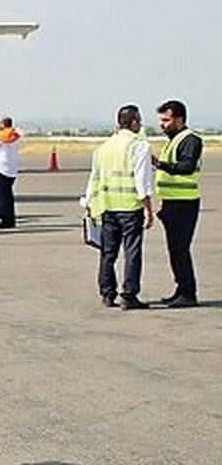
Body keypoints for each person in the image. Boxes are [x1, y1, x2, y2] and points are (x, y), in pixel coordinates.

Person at [84, 105, 155, 310]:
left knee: (108, 252)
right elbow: (143, 181)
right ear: (134, 123)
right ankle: (129, 294)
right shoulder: (139, 145)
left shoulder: (103, 148)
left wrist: (89, 204)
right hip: (130, 207)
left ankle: (107, 293)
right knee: (132, 251)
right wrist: (148, 209)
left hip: (107, 207)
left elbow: (94, 179)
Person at [153, 100, 203, 307]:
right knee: (175, 250)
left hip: (184, 204)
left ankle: (188, 293)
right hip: (172, 203)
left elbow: (187, 166)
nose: (162, 124)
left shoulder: (190, 140)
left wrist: (160, 164)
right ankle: (181, 289)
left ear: (179, 119)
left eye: (166, 120)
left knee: (180, 249)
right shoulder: (173, 140)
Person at [0, 117, 22, 228]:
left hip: (1, 170)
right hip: (11, 171)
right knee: (8, 197)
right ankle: (10, 220)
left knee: (0, 198)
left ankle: (4, 220)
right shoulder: (15, 136)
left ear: (3, 125)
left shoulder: (2, 137)